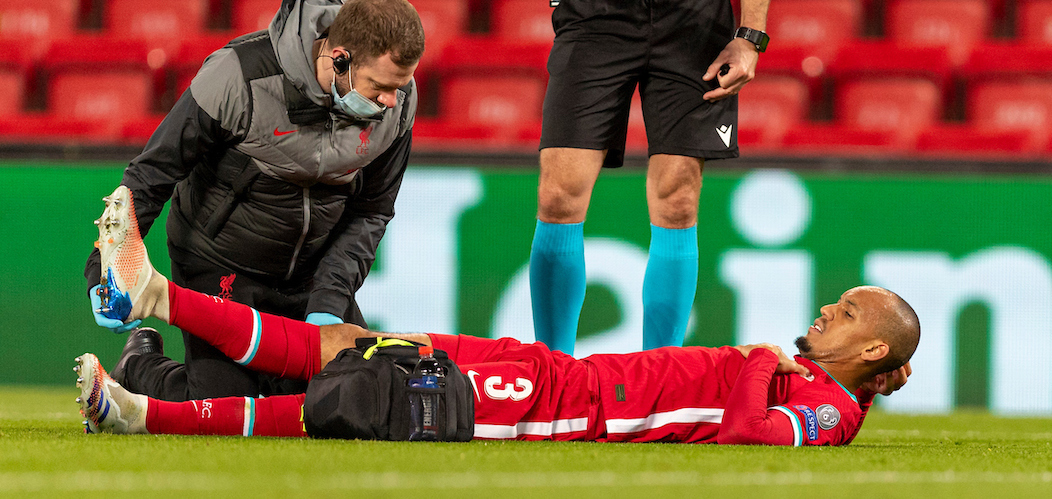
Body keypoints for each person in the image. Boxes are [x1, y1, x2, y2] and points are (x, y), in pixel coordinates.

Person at [77, 187, 917, 446]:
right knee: (356, 345)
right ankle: (152, 295)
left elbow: (754, 438)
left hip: (564, 408)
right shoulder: (824, 381)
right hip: (561, 375)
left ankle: (149, 412)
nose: (824, 311)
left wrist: (755, 364)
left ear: (872, 345)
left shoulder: (824, 404)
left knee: (362, 396)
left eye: (844, 313)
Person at [83, 0, 424, 402]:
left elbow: (371, 211)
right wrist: (104, 270)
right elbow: (153, 174)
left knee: (350, 403)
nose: (392, 100)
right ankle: (137, 366)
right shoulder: (237, 76)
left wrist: (329, 301)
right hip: (219, 260)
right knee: (224, 407)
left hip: (310, 275)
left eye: (399, 86)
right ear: (340, 59)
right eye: (379, 87)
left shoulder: (400, 101)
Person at [524, 0, 780, 354]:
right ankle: (554, 373)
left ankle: (658, 378)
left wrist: (750, 34)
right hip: (596, 8)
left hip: (695, 13)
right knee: (558, 193)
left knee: (679, 198)